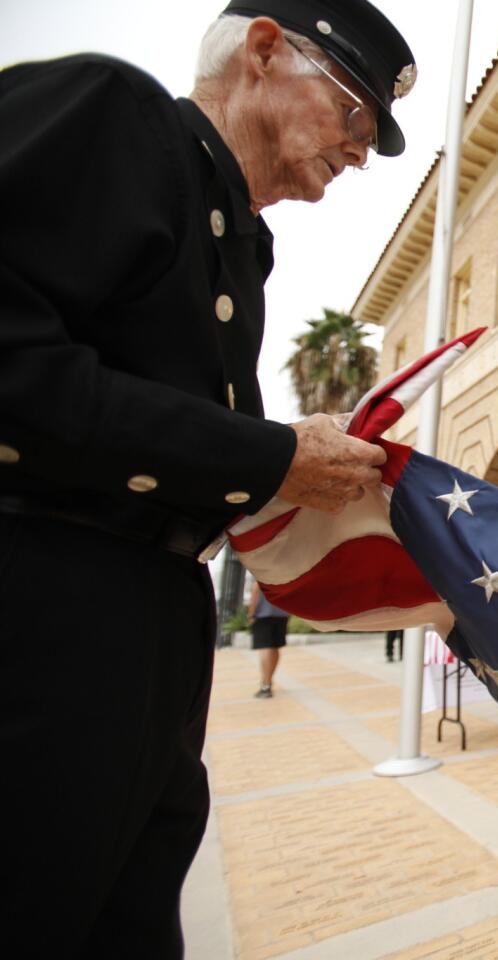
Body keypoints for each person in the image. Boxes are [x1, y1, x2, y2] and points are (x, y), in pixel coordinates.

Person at [0, 1, 416, 952]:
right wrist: (268, 455)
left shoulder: (237, 238)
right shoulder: (113, 114)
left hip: (154, 629)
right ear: (264, 50)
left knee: (130, 917)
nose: (359, 153)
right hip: (38, 605)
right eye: (354, 115)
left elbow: (163, 437)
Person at [247, 578, 291, 697]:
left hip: (263, 617)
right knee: (275, 648)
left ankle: (265, 684)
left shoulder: (261, 576)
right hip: (281, 615)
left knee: (265, 648)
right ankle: (269, 680)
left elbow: (255, 593)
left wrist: (251, 615)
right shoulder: (283, 577)